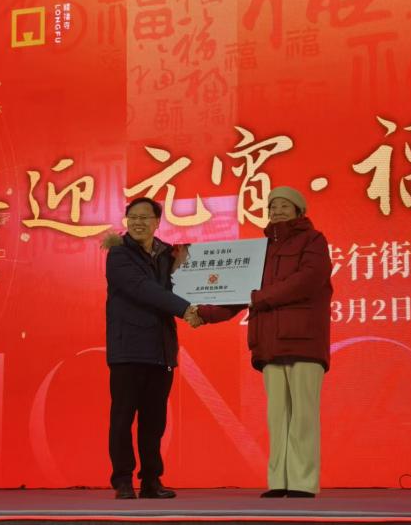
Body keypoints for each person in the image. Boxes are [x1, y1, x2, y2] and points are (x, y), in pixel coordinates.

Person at [197, 186, 333, 498]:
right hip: (269, 342)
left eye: (285, 205)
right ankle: (279, 481)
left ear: (299, 211)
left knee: (303, 414)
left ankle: (303, 482)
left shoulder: (313, 240)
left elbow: (308, 279)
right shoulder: (260, 249)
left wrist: (260, 297)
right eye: (273, 206)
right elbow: (240, 291)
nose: (278, 211)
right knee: (277, 416)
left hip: (303, 339)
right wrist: (204, 313)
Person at [103, 196, 201, 500]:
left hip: (161, 351)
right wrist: (186, 309)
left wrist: (192, 267)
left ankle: (151, 480)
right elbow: (143, 289)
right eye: (133, 217)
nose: (138, 222)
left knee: (154, 421)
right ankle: (122, 480)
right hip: (128, 350)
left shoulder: (167, 255)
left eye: (145, 217)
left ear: (157, 222)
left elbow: (185, 283)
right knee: (123, 418)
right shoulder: (118, 254)